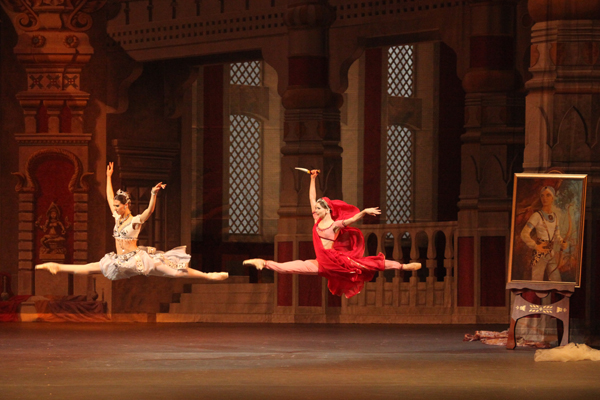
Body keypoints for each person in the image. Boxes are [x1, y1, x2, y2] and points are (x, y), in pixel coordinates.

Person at [36, 162, 228, 281]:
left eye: (118, 206)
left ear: (126, 205)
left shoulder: (134, 221)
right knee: (89, 268)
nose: (115, 208)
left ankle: (208, 276)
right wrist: (108, 177)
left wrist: (153, 194)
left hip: (136, 260)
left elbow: (149, 211)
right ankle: (57, 266)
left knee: (174, 272)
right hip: (118, 261)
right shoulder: (117, 217)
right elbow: (109, 195)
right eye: (115, 206)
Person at [244, 170, 420, 298]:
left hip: (336, 261)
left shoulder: (334, 225)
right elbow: (312, 199)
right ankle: (264, 263)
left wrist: (364, 211)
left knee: (370, 264)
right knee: (290, 267)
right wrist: (312, 179)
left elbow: (352, 220)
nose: (316, 210)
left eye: (319, 209)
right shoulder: (317, 221)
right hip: (321, 263)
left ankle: (403, 267)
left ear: (327, 209)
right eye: (316, 209)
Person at [520, 186, 568, 281]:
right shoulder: (536, 216)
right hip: (540, 254)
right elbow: (524, 234)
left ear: (553, 198)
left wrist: (562, 242)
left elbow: (557, 235)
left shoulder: (555, 216)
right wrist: (535, 246)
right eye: (542, 196)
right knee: (537, 283)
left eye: (548, 195)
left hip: (551, 254)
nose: (544, 198)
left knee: (557, 281)